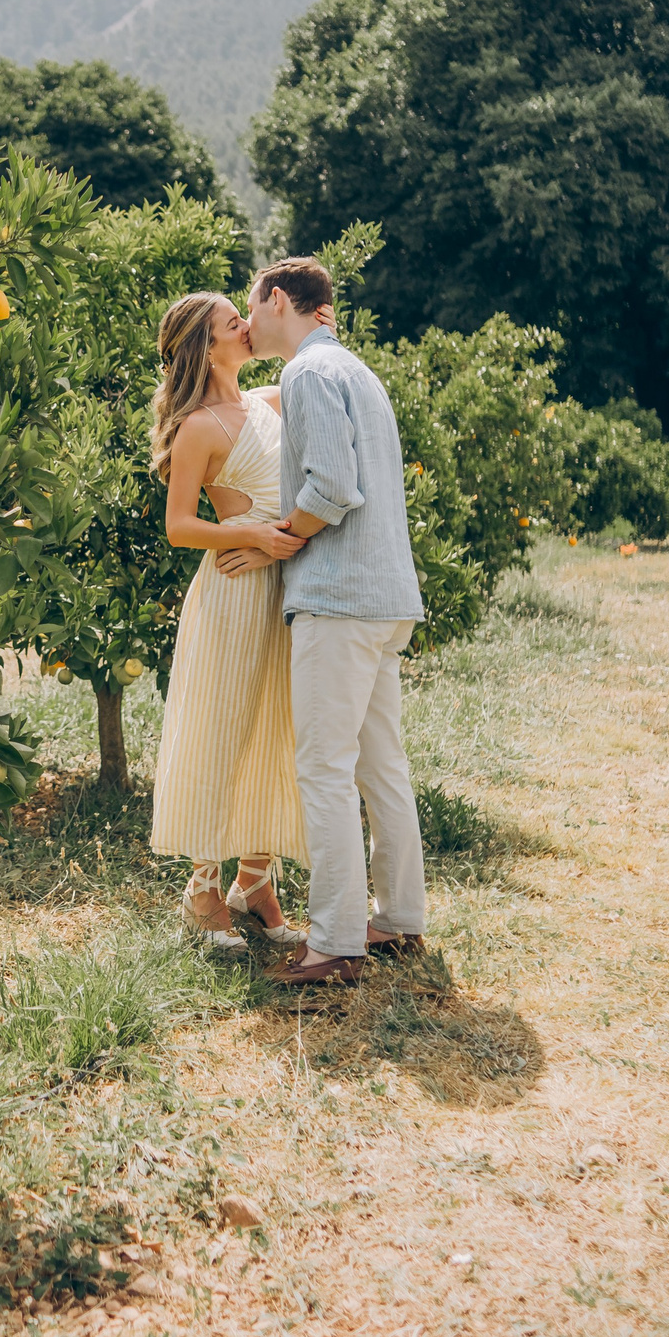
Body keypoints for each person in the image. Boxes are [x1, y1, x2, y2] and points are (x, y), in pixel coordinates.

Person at [239, 257, 428, 988]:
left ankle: (335, 942)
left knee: (324, 769)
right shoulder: (353, 370)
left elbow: (333, 487)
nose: (246, 321)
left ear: (277, 298)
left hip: (338, 598)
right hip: (386, 599)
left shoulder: (306, 374)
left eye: (250, 304)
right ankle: (399, 917)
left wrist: (283, 533)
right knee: (383, 766)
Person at [145, 291, 313, 950]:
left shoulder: (267, 401)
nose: (247, 329)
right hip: (235, 589)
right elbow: (179, 525)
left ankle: (255, 879)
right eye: (231, 325)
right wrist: (246, 531)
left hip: (283, 584)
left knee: (278, 727)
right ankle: (204, 890)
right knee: (222, 728)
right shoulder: (199, 427)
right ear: (206, 348)